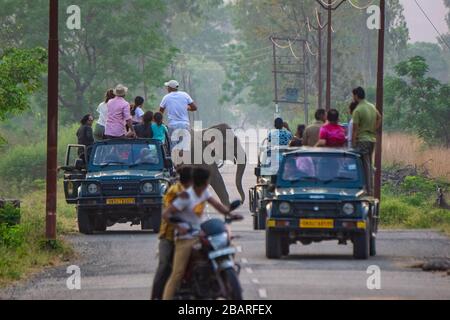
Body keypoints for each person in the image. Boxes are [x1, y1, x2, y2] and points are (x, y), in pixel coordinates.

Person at [162, 168, 239, 300]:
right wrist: (179, 227)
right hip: (185, 238)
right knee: (177, 274)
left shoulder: (204, 193)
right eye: (208, 180)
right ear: (204, 181)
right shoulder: (185, 197)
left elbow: (217, 205)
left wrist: (230, 213)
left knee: (227, 244)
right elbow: (166, 214)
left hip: (201, 234)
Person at [151, 166, 193, 300]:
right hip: (169, 236)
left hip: (187, 236)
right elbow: (167, 214)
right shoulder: (175, 191)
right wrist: (179, 226)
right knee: (164, 267)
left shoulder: (192, 192)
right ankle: (156, 297)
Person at [351, 87, 382, 195]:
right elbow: (379, 117)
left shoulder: (358, 110)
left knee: (365, 167)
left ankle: (369, 191)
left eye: (353, 95)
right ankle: (368, 189)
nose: (353, 98)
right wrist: (373, 129)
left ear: (356, 96)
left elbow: (355, 130)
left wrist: (353, 144)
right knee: (368, 164)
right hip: (371, 140)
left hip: (362, 140)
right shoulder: (372, 106)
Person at [159, 80, 197, 147]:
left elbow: (160, 112)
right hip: (185, 125)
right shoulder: (185, 95)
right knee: (185, 148)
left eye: (168, 87)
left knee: (173, 149)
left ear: (170, 88)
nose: (167, 88)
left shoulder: (166, 97)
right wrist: (188, 108)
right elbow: (194, 108)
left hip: (173, 126)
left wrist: (161, 121)